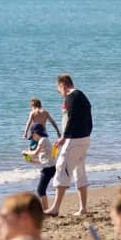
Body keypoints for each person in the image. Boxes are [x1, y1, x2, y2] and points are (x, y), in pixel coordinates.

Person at [45, 74, 92, 216]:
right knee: (80, 172)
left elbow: (71, 119)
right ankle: (83, 208)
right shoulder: (82, 95)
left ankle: (55, 208)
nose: (59, 93)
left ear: (62, 85)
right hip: (84, 139)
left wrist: (64, 137)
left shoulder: (71, 97)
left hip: (74, 140)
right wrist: (87, 133)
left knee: (61, 168)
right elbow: (89, 119)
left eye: (58, 90)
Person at [21, 124, 57, 210]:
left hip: (48, 169)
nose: (33, 138)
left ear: (36, 133)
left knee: (40, 190)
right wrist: (30, 161)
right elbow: (42, 160)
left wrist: (26, 152)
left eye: (32, 136)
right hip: (50, 168)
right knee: (43, 189)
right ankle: (46, 209)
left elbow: (35, 153)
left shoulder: (43, 140)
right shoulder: (44, 141)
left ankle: (45, 210)